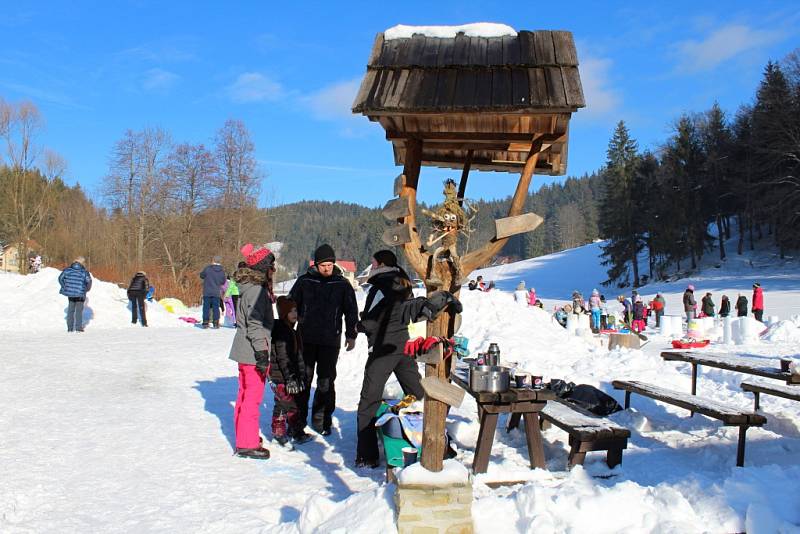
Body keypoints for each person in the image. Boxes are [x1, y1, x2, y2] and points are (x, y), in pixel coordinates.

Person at [355, 250, 461, 468]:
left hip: (383, 349)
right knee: (418, 392)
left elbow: (374, 320)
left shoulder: (379, 286)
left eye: (373, 262)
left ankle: (367, 456)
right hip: (403, 345)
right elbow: (399, 313)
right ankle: (436, 441)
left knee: (369, 401)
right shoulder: (403, 282)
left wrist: (360, 324)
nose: (372, 266)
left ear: (381, 263)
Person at [289, 244, 358, 436]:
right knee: (304, 379)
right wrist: (288, 331)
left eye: (329, 264)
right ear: (316, 264)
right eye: (323, 265)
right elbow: (290, 305)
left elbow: (351, 311)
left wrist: (351, 335)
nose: (326, 268)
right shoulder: (304, 281)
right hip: (306, 339)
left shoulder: (342, 284)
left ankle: (322, 420)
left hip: (330, 340)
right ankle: (297, 420)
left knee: (326, 382)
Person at [229, 243, 276, 460]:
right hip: (251, 351)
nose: (273, 271)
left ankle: (244, 437)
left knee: (244, 394)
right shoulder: (257, 290)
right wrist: (262, 353)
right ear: (263, 267)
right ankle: (247, 444)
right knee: (252, 398)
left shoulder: (246, 285)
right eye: (271, 266)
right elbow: (256, 324)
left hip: (243, 349)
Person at [270, 296, 313, 447]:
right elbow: (283, 358)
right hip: (280, 377)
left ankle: (291, 431)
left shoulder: (291, 330)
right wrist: (290, 377)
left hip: (287, 376)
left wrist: (300, 374)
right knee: (287, 405)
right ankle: (283, 432)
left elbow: (297, 357)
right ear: (283, 313)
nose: (295, 314)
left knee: (287, 405)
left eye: (295, 310)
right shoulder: (282, 331)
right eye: (291, 311)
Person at [58, 256, 93, 332]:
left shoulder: (67, 270)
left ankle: (70, 329)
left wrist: (65, 287)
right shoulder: (84, 272)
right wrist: (86, 290)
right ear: (82, 263)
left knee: (70, 310)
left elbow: (60, 278)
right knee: (79, 311)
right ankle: (78, 328)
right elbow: (89, 281)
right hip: (80, 294)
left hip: (70, 294)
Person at [200, 255, 227, 329]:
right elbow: (223, 281)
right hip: (216, 292)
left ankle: (205, 322)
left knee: (206, 307)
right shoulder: (222, 270)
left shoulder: (208, 268)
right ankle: (216, 322)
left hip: (207, 291)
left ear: (213, 260)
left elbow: (201, 275)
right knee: (216, 307)